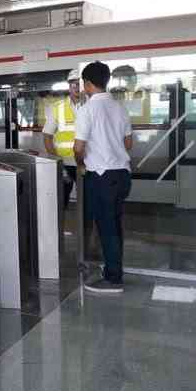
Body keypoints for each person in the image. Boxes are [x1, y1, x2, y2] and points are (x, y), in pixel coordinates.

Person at [74, 61, 133, 293]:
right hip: (122, 175)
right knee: (116, 225)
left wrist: (81, 165)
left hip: (101, 176)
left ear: (87, 83)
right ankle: (114, 267)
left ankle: (113, 278)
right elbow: (129, 143)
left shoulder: (87, 110)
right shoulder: (120, 107)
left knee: (106, 227)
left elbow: (78, 148)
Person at [43, 69, 84, 209]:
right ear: (69, 86)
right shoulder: (58, 108)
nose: (77, 87)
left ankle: (86, 229)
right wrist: (56, 162)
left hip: (87, 162)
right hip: (65, 163)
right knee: (61, 201)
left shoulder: (92, 106)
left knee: (88, 201)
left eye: (80, 83)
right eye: (74, 84)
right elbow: (47, 136)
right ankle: (61, 228)